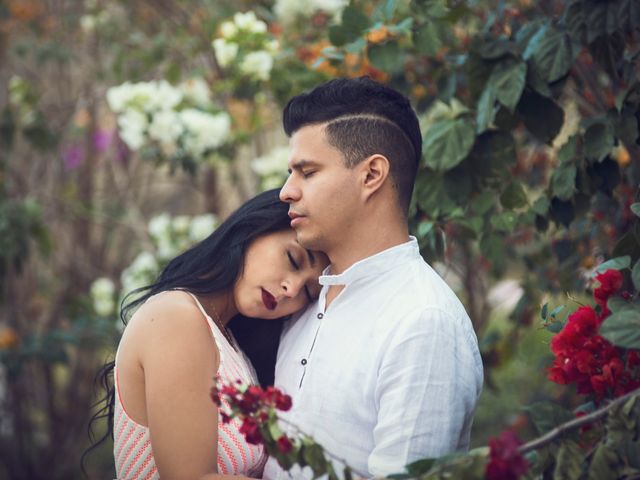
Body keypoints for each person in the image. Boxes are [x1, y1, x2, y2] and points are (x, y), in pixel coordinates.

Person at [263, 77, 484, 479]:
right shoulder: (304, 303)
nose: (286, 191)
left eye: (307, 172)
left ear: (371, 175)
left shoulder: (422, 322)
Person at [88, 188, 328, 479]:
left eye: (307, 291)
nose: (291, 289)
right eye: (293, 259)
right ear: (255, 228)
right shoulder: (175, 318)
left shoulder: (232, 345)